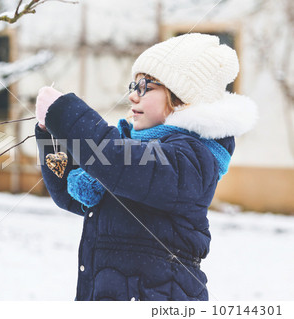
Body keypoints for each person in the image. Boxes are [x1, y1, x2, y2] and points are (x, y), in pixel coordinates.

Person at [34, 33, 258, 301]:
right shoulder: (131, 153)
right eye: (134, 86)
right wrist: (51, 134)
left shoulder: (191, 159)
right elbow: (68, 191)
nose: (132, 96)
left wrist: (65, 112)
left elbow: (116, 160)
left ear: (182, 98)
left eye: (146, 87)